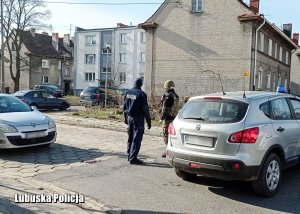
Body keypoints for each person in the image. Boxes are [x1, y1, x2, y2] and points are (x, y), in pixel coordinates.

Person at [123, 78, 151, 165]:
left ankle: (129, 155)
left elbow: (124, 107)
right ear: (141, 84)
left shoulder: (128, 92)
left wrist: (125, 118)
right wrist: (149, 121)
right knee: (137, 138)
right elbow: (145, 109)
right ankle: (133, 158)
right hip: (138, 119)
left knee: (130, 137)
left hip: (130, 117)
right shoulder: (142, 94)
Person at [160, 80, 179, 158]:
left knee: (165, 134)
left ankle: (168, 151)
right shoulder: (175, 95)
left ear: (167, 87)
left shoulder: (168, 96)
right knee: (172, 134)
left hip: (168, 118)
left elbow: (165, 108)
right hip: (174, 118)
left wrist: (162, 118)